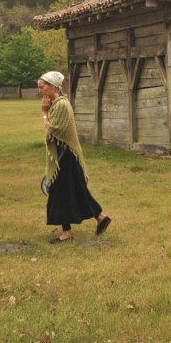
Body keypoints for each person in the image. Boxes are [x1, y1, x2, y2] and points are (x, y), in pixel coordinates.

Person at [38, 71, 112, 243]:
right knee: (76, 191)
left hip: (67, 158)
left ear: (53, 86)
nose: (40, 91)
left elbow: (52, 131)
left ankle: (67, 233)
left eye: (42, 87)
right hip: (65, 157)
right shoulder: (56, 104)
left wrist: (44, 113)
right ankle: (100, 218)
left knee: (60, 194)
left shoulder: (62, 105)